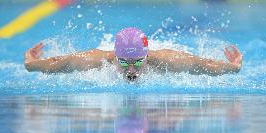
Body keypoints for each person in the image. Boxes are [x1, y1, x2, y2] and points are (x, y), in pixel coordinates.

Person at [24, 27, 243, 81]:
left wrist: (232, 67)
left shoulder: (170, 61)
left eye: (138, 62)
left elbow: (202, 64)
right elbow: (57, 63)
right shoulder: (94, 60)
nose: (130, 71)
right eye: (124, 62)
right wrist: (31, 63)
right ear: (114, 55)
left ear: (147, 56)